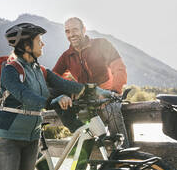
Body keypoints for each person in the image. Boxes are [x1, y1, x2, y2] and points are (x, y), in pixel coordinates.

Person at [0, 22, 111, 170]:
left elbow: (69, 85)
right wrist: (53, 101)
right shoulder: (10, 70)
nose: (43, 44)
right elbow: (25, 95)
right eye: (39, 40)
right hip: (7, 139)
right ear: (26, 46)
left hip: (31, 139)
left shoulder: (40, 70)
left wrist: (100, 91)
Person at [53, 17, 129, 147]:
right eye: (67, 31)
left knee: (113, 111)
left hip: (108, 97)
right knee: (88, 137)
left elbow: (119, 68)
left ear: (84, 30)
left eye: (75, 30)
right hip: (86, 102)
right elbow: (53, 78)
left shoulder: (101, 44)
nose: (71, 35)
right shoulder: (66, 56)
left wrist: (114, 92)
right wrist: (68, 92)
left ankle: (122, 156)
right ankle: (91, 162)